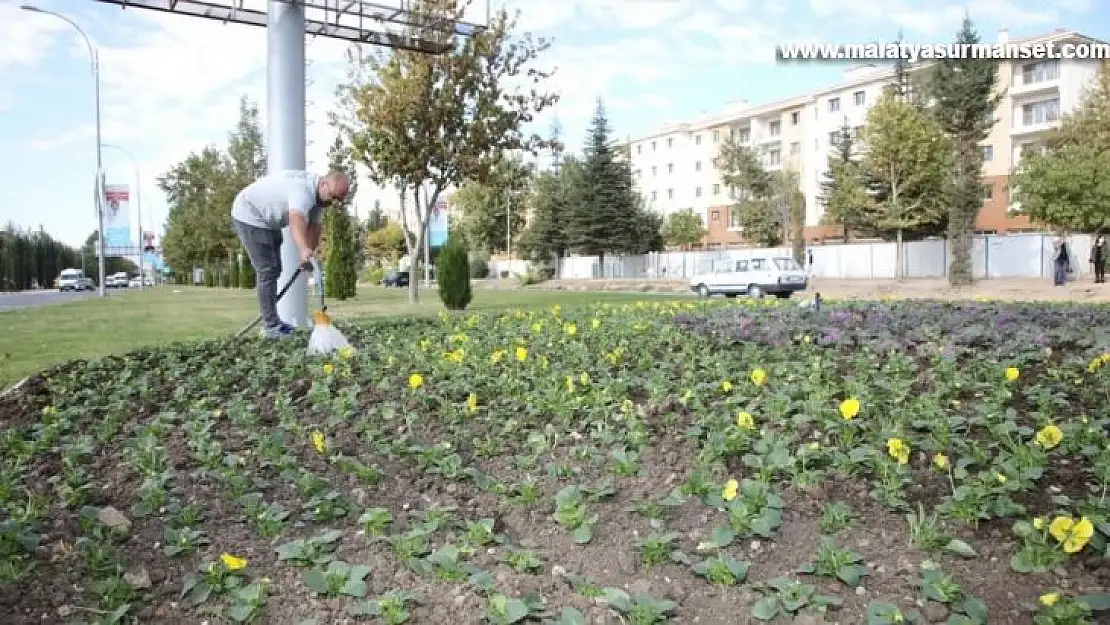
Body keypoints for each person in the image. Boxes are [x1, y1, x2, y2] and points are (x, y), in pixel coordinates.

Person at [231, 170, 351, 338]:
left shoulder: (319, 199)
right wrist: (303, 249)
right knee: (267, 270)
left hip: (268, 221)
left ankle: (273, 322)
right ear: (323, 184)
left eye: (339, 200)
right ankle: (270, 326)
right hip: (250, 214)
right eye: (333, 196)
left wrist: (310, 252)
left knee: (275, 269)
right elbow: (297, 219)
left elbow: (314, 227)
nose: (334, 202)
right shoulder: (303, 190)